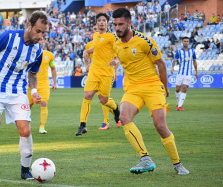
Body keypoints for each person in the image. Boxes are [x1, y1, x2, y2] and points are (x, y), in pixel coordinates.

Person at [111, 8, 189, 175]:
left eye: (121, 24)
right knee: (124, 118)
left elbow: (160, 64)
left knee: (160, 126)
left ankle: (177, 164)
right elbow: (121, 60)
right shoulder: (116, 44)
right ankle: (145, 158)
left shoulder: (144, 41)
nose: (117, 28)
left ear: (129, 23)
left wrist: (165, 87)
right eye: (115, 24)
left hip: (153, 86)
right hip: (133, 88)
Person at [0, 10, 48, 180]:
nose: (40, 36)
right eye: (38, 31)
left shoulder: (38, 51)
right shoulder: (9, 37)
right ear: (29, 25)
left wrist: (35, 92)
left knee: (25, 130)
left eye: (44, 33)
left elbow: (32, 74)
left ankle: (25, 170)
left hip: (18, 93)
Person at [75, 13, 120, 136]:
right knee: (87, 95)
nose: (101, 22)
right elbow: (96, 48)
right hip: (94, 71)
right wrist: (86, 51)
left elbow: (118, 54)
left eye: (103, 20)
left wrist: (115, 61)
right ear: (96, 23)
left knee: (104, 100)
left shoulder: (112, 37)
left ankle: (116, 108)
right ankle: (82, 125)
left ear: (107, 23)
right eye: (99, 20)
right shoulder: (95, 35)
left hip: (106, 73)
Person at [84, 24, 120, 130]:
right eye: (94, 29)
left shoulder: (108, 42)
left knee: (102, 97)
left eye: (97, 29)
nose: (97, 31)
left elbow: (116, 58)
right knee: (102, 98)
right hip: (95, 73)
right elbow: (87, 56)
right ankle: (117, 114)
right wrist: (87, 66)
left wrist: (115, 72)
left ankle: (106, 122)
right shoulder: (89, 45)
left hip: (106, 73)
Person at [27, 38, 57, 134]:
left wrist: (55, 82)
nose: (40, 41)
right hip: (30, 84)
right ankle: (27, 125)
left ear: (44, 42)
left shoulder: (49, 55)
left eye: (41, 40)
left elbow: (53, 68)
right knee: (28, 106)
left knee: (43, 103)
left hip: (44, 84)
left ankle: (42, 127)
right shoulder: (28, 53)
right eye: (38, 40)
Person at [171, 37, 198, 111]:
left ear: (189, 43)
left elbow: (194, 62)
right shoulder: (179, 52)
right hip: (180, 73)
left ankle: (179, 106)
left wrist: (196, 72)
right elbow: (175, 60)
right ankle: (179, 103)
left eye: (187, 41)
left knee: (185, 88)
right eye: (185, 41)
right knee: (177, 89)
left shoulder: (192, 51)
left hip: (188, 73)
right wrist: (172, 67)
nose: (186, 42)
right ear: (182, 42)